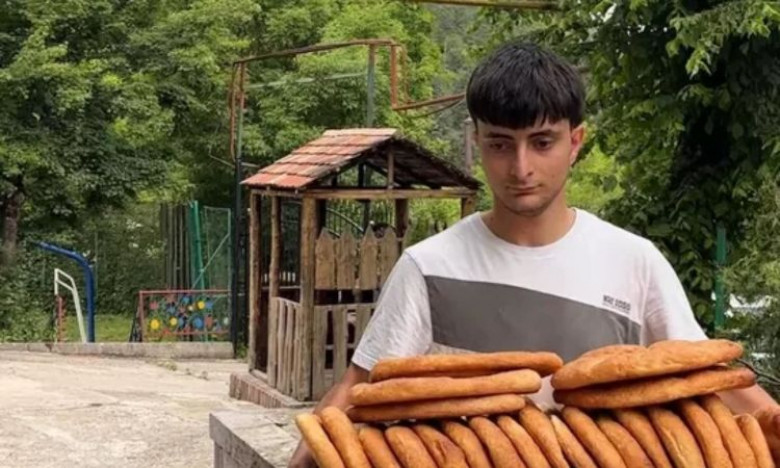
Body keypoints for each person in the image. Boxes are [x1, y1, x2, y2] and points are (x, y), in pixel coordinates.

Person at [287, 41, 780, 467]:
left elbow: (705, 379)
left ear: (575, 142)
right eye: (501, 144)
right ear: (476, 141)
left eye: (542, 142)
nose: (520, 168)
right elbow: (360, 389)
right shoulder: (428, 266)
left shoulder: (635, 261)